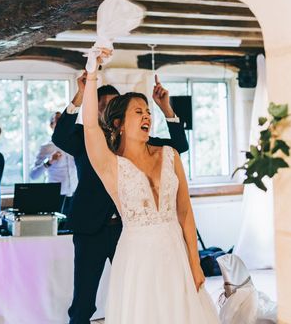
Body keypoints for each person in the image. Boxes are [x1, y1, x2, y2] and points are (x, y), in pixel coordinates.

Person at [82, 51, 219, 323]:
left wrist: (194, 261)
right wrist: (92, 73)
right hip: (137, 260)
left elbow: (185, 212)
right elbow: (89, 128)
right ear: (119, 124)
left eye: (148, 112)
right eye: (138, 112)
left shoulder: (169, 155)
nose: (147, 116)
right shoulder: (111, 166)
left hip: (176, 254)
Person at [52, 72, 189, 324]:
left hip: (128, 232)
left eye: (114, 105)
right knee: (84, 302)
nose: (108, 111)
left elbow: (179, 145)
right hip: (90, 228)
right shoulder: (86, 140)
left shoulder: (140, 142)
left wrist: (166, 108)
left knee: (139, 295)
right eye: (102, 105)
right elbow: (59, 137)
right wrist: (82, 94)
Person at [30, 111, 77, 213]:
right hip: (55, 196)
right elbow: (33, 175)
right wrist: (49, 161)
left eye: (63, 121)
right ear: (51, 125)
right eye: (58, 121)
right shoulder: (46, 147)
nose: (61, 123)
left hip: (74, 195)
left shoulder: (74, 144)